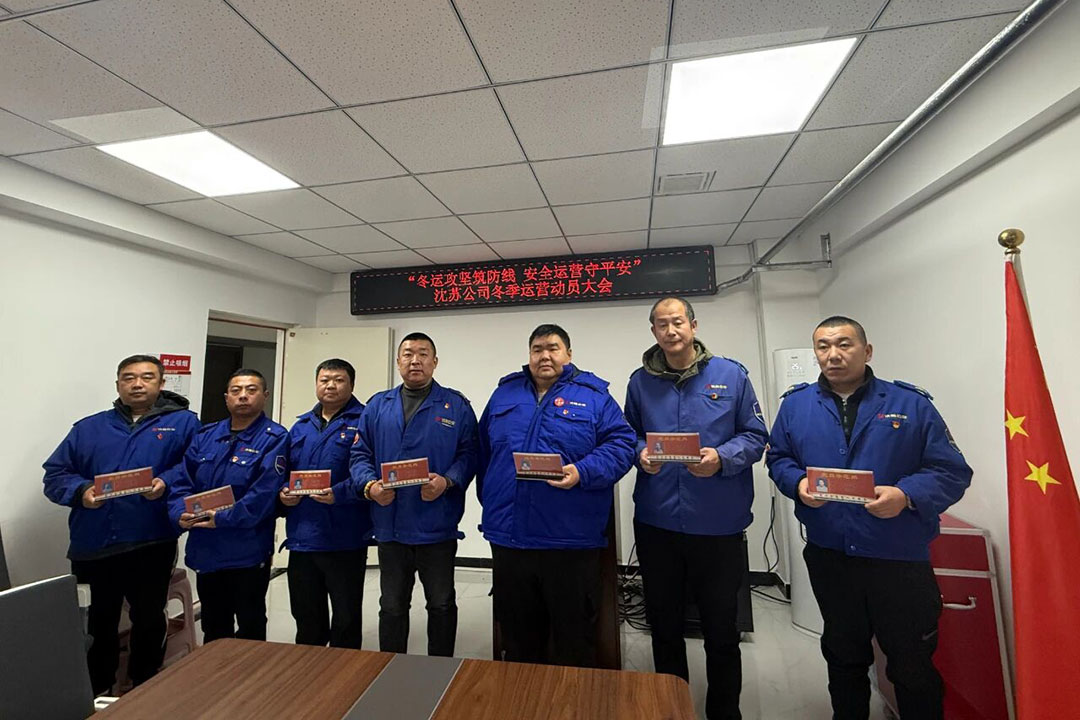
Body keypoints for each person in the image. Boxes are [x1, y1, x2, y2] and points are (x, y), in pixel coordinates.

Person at [766, 316, 972, 720]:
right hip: (831, 555)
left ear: (867, 351)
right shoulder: (796, 405)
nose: (833, 354)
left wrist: (906, 496)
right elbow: (779, 459)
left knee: (911, 665)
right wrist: (797, 484)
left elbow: (952, 471)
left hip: (897, 558)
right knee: (843, 658)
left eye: (844, 344)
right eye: (823, 346)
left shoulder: (911, 404)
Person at [624, 297, 768, 720]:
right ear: (653, 331)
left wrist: (722, 458)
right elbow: (626, 434)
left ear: (693, 325)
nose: (670, 331)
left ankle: (724, 711)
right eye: (661, 324)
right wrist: (638, 454)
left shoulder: (731, 375)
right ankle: (671, 707)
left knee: (721, 629)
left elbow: (755, 436)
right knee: (663, 624)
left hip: (717, 522)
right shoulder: (640, 382)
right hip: (658, 521)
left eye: (677, 322)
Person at [477, 323, 635, 668]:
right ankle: (523, 695)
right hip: (510, 538)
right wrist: (492, 503)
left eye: (553, 348)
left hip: (569, 541)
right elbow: (483, 452)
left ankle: (572, 697)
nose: (544, 356)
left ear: (569, 354)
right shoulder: (504, 394)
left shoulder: (594, 396)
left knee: (573, 637)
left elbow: (622, 445)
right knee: (518, 636)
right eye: (537, 349)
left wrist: (582, 471)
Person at [43, 354, 200, 695]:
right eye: (129, 378)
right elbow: (55, 475)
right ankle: (98, 693)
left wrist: (165, 481)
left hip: (150, 541)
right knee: (97, 622)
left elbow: (195, 467)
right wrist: (82, 492)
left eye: (147, 377)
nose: (137, 384)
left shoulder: (184, 424)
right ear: (118, 385)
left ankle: (145, 688)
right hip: (93, 544)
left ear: (161, 383)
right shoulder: (88, 428)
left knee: (148, 618)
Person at [349, 333, 478, 657]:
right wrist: (370, 486)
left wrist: (447, 481)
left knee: (441, 603)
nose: (415, 360)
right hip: (390, 525)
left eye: (423, 354)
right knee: (392, 605)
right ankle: (391, 666)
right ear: (398, 362)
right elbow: (360, 454)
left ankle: (441, 667)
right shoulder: (378, 405)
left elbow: (470, 454)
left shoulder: (456, 406)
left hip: (436, 524)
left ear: (435, 361)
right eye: (408, 354)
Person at [167, 369, 288, 643]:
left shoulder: (275, 438)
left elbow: (263, 493)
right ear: (226, 397)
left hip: (247, 549)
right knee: (213, 624)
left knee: (250, 623)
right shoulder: (205, 436)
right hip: (206, 549)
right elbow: (181, 481)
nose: (243, 396)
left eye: (251, 390)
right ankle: (216, 670)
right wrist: (179, 513)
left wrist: (222, 518)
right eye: (236, 390)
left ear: (265, 396)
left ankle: (251, 671)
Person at [278, 359, 372, 649]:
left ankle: (345, 670)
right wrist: (283, 494)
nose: (330, 385)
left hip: (345, 536)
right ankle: (309, 669)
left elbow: (372, 470)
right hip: (303, 537)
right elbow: (284, 472)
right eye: (324, 380)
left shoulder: (366, 421)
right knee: (306, 616)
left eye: (339, 380)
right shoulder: (300, 426)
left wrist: (340, 493)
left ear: (352, 385)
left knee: (346, 617)